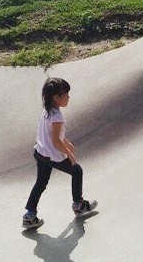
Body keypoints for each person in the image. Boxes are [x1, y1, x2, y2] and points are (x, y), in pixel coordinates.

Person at [23, 78, 97, 229]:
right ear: (56, 98)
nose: (68, 97)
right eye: (66, 94)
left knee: (40, 183)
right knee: (77, 170)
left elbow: (55, 134)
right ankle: (79, 205)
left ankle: (29, 216)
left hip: (40, 152)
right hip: (51, 155)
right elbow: (56, 141)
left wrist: (67, 143)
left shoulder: (47, 111)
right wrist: (69, 154)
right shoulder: (57, 117)